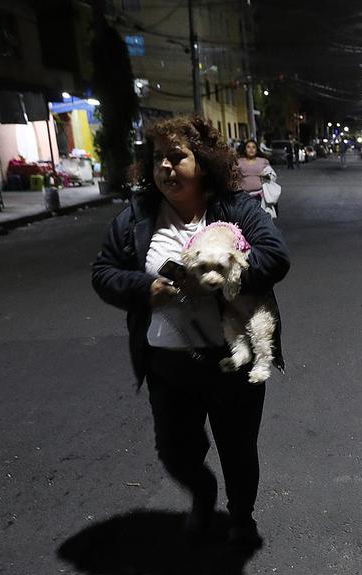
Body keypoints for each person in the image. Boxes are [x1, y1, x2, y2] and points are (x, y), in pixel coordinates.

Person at [91, 116, 290, 548]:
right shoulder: (138, 217)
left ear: (203, 163)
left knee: (238, 450)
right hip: (167, 363)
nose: (165, 166)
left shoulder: (235, 208)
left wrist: (218, 280)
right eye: (157, 158)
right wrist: (146, 288)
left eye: (176, 156)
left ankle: (241, 515)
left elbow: (275, 258)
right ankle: (202, 494)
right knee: (175, 451)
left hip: (229, 358)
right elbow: (103, 272)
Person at [237, 138, 279, 218]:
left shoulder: (263, 161)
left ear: (257, 149)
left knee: (259, 219)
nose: (251, 149)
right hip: (243, 198)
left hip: (260, 197)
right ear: (245, 150)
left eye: (253, 147)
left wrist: (267, 175)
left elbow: (272, 175)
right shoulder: (239, 162)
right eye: (248, 147)